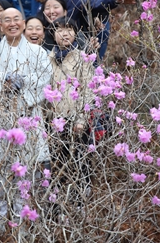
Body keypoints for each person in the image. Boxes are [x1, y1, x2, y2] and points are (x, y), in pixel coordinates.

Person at [0, 8, 52, 233]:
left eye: (16, 19)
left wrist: (22, 83)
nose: (12, 24)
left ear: (24, 23)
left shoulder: (38, 52)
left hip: (26, 115)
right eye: (6, 20)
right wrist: (4, 80)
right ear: (0, 25)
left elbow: (45, 78)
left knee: (25, 169)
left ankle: (21, 226)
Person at [28, 0, 135, 59]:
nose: (51, 12)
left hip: (79, 58)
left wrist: (112, 1)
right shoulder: (40, 11)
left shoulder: (71, 0)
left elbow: (91, 3)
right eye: (48, 8)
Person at [46, 17, 94, 203]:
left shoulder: (82, 59)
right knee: (58, 165)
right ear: (53, 33)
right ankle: (58, 207)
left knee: (79, 164)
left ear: (75, 33)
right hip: (53, 122)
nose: (65, 33)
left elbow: (88, 92)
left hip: (76, 122)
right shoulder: (47, 59)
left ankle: (79, 203)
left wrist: (81, 120)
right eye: (60, 29)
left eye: (69, 29)